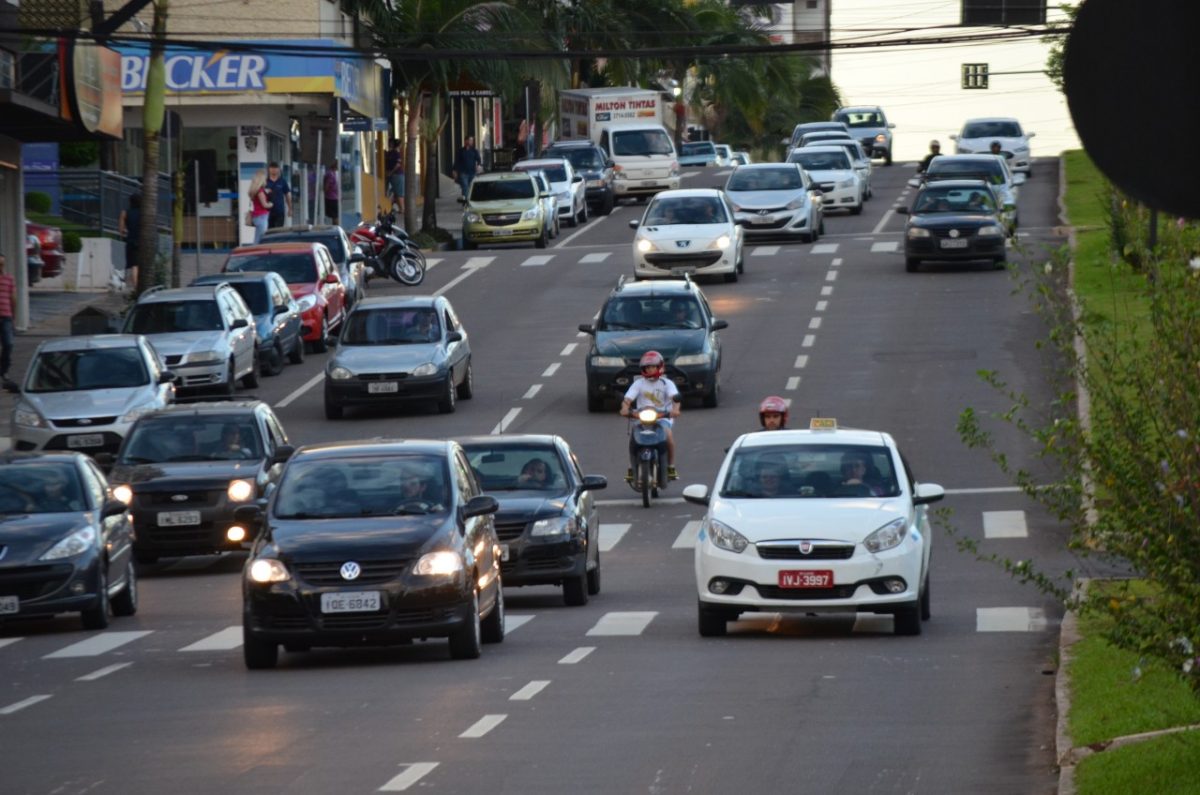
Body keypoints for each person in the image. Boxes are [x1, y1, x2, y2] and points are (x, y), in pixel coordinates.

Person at [620, 350, 681, 479]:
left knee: (668, 435)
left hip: (662, 416)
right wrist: (625, 408)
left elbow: (675, 398)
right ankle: (631, 467)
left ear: (659, 367)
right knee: (633, 438)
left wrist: (675, 410)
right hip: (641, 416)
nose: (650, 370)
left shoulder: (667, 383)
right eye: (647, 367)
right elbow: (628, 399)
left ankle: (671, 466)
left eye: (653, 366)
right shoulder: (638, 383)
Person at [117, 193, 141, 293]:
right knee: (140, 265)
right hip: (143, 241)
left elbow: (121, 230)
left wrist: (124, 236)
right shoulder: (144, 213)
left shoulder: (125, 213)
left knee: (134, 265)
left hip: (131, 240)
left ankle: (136, 288)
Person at [0, 255, 14, 388]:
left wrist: (13, 316)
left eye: (2, 264)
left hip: (6, 316)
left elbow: (12, 297)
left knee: (8, 344)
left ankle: (4, 370)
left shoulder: (9, 278)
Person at [264, 162, 292, 229]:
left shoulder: (282, 181)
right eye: (272, 168)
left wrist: (290, 208)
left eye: (275, 168)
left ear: (279, 169)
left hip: (279, 211)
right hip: (267, 212)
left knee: (278, 232)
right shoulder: (265, 181)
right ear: (269, 169)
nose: (274, 169)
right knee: (268, 232)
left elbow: (287, 195)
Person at [248, 169, 272, 244]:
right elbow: (264, 204)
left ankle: (254, 253)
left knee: (257, 238)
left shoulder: (255, 191)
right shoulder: (260, 191)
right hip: (262, 217)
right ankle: (255, 254)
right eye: (265, 178)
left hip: (257, 216)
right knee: (261, 240)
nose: (266, 180)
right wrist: (271, 204)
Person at [384, 139, 405, 214]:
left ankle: (397, 208)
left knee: (395, 192)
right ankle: (402, 209)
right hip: (397, 175)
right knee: (400, 192)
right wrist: (392, 172)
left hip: (390, 175)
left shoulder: (389, 153)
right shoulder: (397, 154)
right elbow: (398, 165)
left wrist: (389, 173)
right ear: (399, 145)